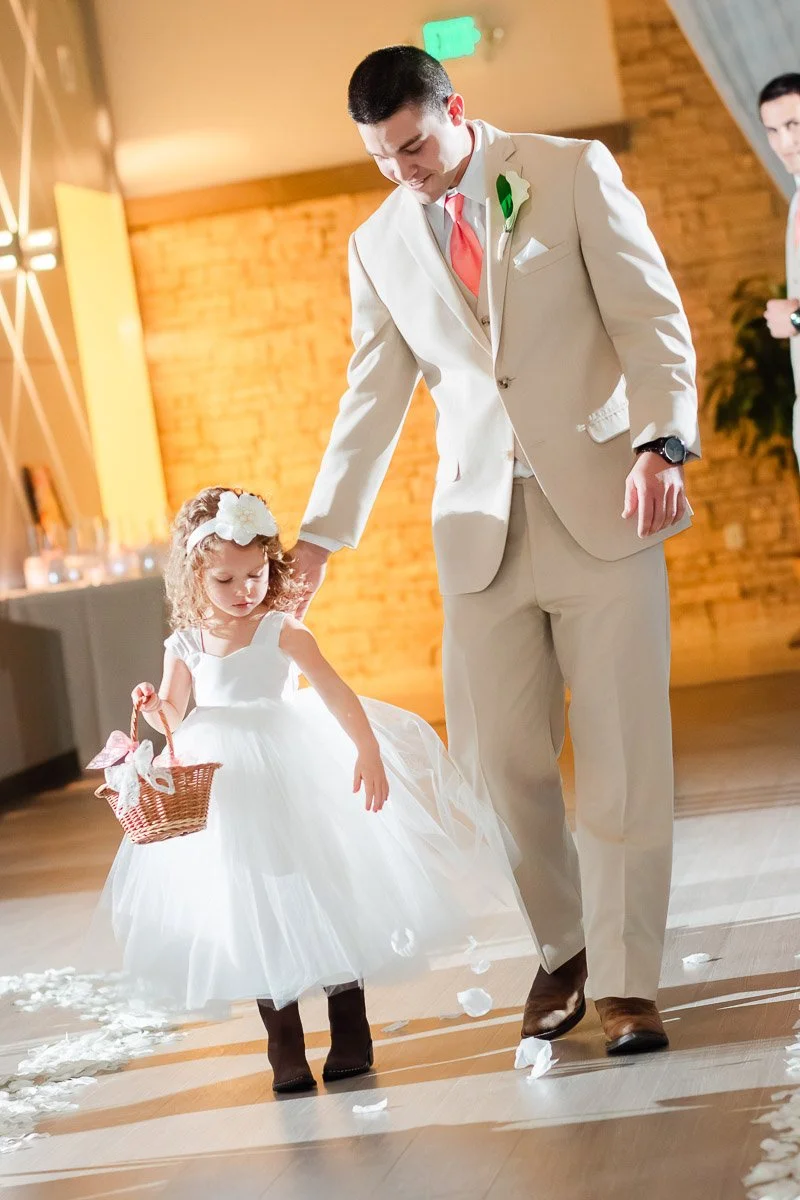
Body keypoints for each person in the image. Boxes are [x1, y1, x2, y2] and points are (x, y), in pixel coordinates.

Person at [294, 46, 700, 1057]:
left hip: (605, 507)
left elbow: (649, 319)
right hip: (476, 530)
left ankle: (625, 983)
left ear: (454, 111)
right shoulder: (377, 244)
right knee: (493, 761)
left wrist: (659, 442)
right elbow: (369, 402)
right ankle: (561, 945)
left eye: (415, 146)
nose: (404, 171)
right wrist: (318, 539)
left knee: (619, 756)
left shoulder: (564, 173)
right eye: (381, 158)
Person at [94, 487, 515, 1094]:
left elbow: (335, 692)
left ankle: (351, 1027)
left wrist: (367, 750)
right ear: (194, 576)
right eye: (226, 579)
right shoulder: (185, 643)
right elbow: (178, 717)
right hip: (227, 780)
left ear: (272, 564)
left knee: (324, 885)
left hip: (290, 764)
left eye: (257, 573)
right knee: (253, 897)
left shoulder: (281, 631)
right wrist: (154, 705)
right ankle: (283, 1041)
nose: (245, 590)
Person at [760, 72, 800, 471]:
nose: (785, 143)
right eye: (773, 131)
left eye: (794, 125)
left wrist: (797, 316)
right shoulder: (796, 205)